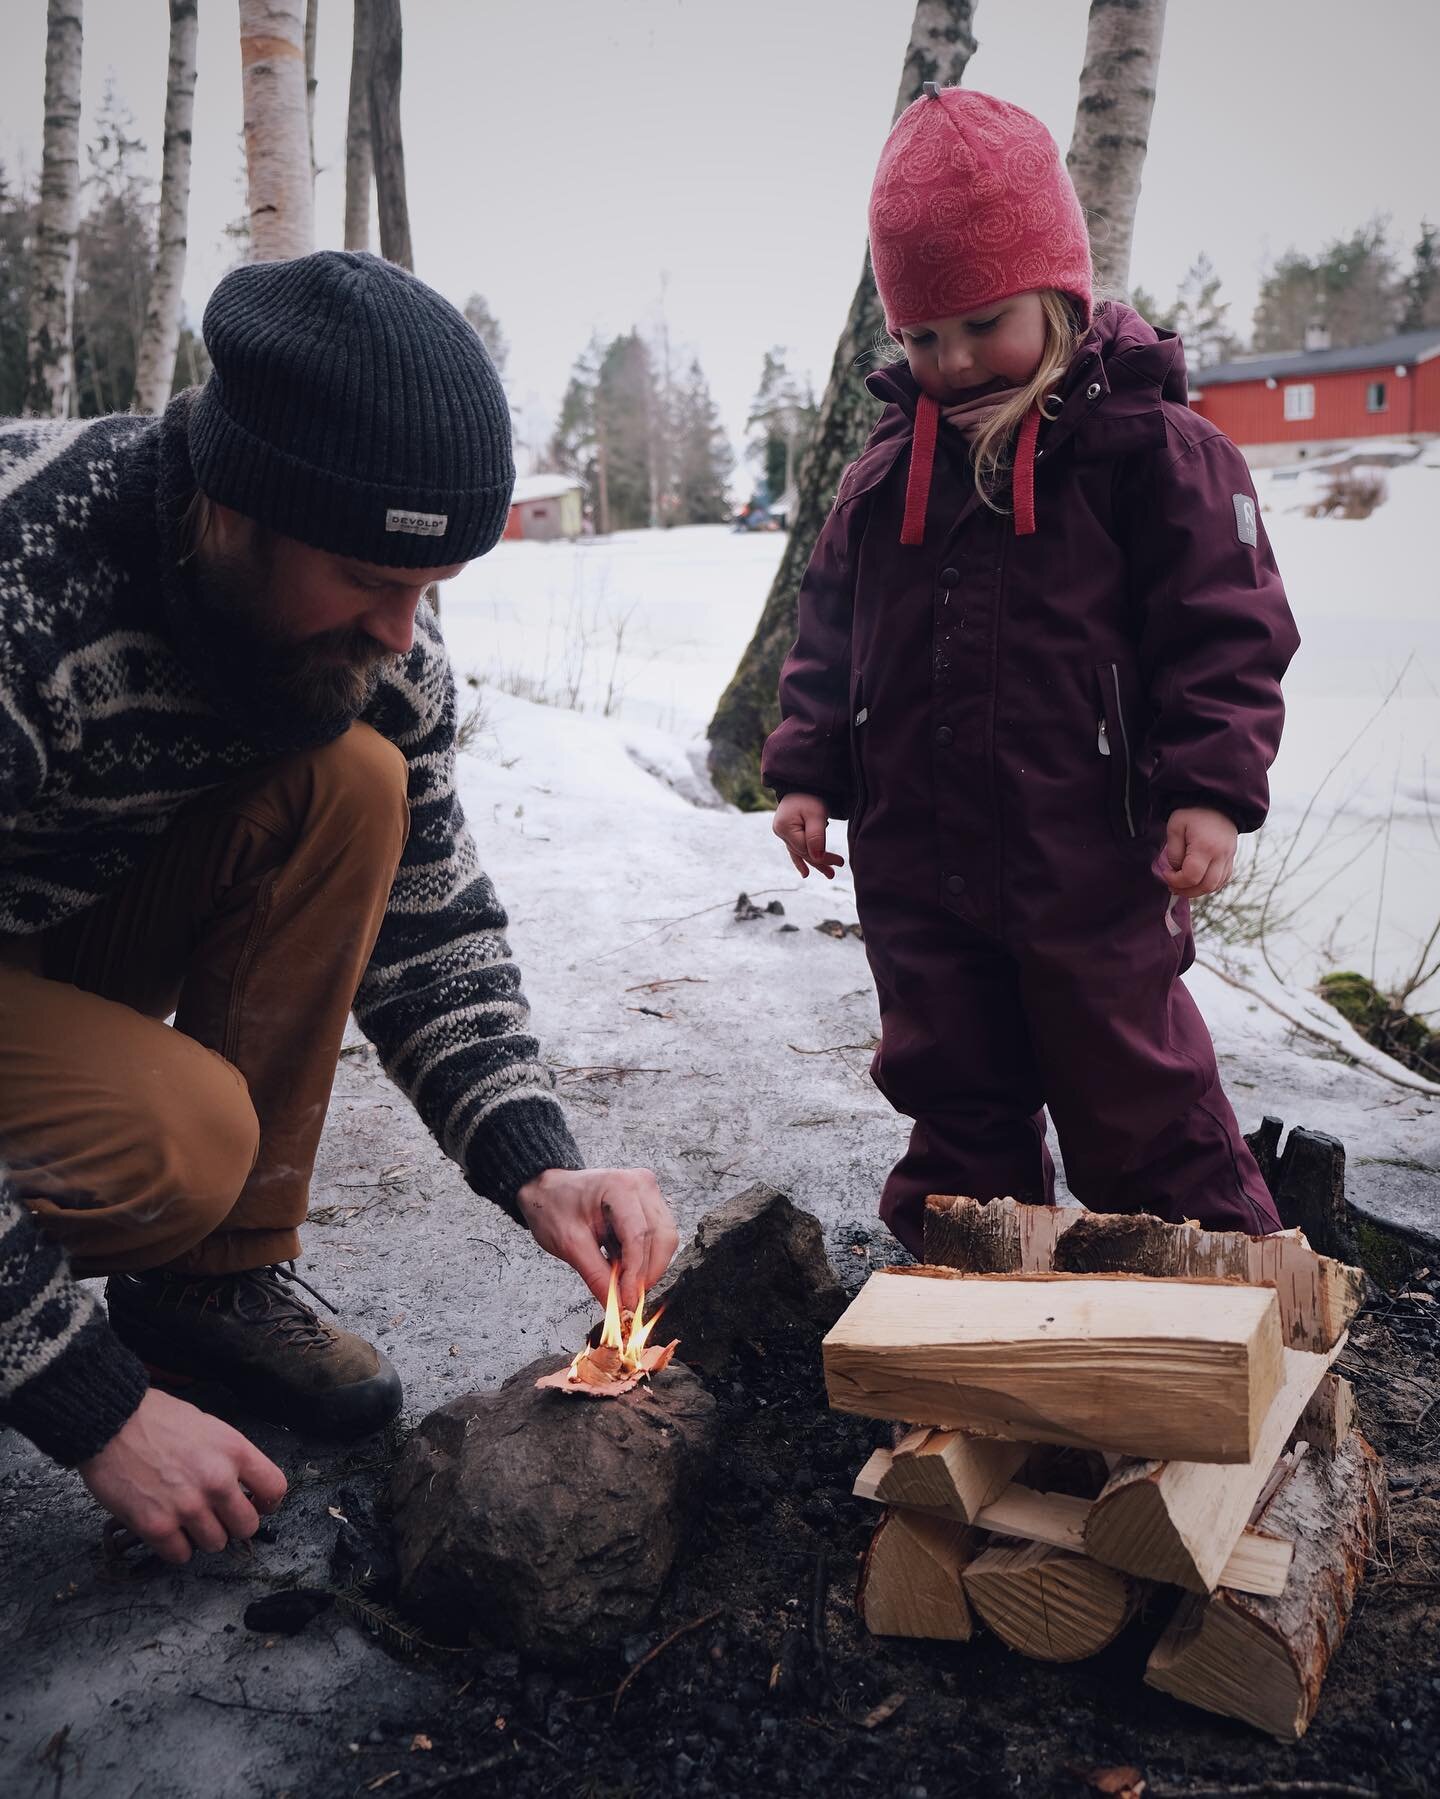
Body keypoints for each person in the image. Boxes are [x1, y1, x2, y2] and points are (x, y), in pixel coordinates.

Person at [0, 250, 678, 1565]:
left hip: (44, 919)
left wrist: (532, 1155)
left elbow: (428, 916)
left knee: (358, 779)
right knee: (174, 1142)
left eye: (429, 590)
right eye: (370, 578)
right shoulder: (22, 594)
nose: (401, 630)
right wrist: (87, 1401)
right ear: (235, 507)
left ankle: (215, 1283)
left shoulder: (377, 644)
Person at [763, 87, 1300, 1256]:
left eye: (983, 324)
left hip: (1090, 857)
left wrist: (1209, 788)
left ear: (1059, 291)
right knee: (954, 1085)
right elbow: (829, 633)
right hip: (918, 859)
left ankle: (1217, 1300)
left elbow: (1230, 630)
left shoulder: (1151, 453)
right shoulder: (884, 475)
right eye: (921, 337)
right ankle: (978, 1304)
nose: (952, 364)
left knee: (1132, 1087)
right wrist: (806, 767)